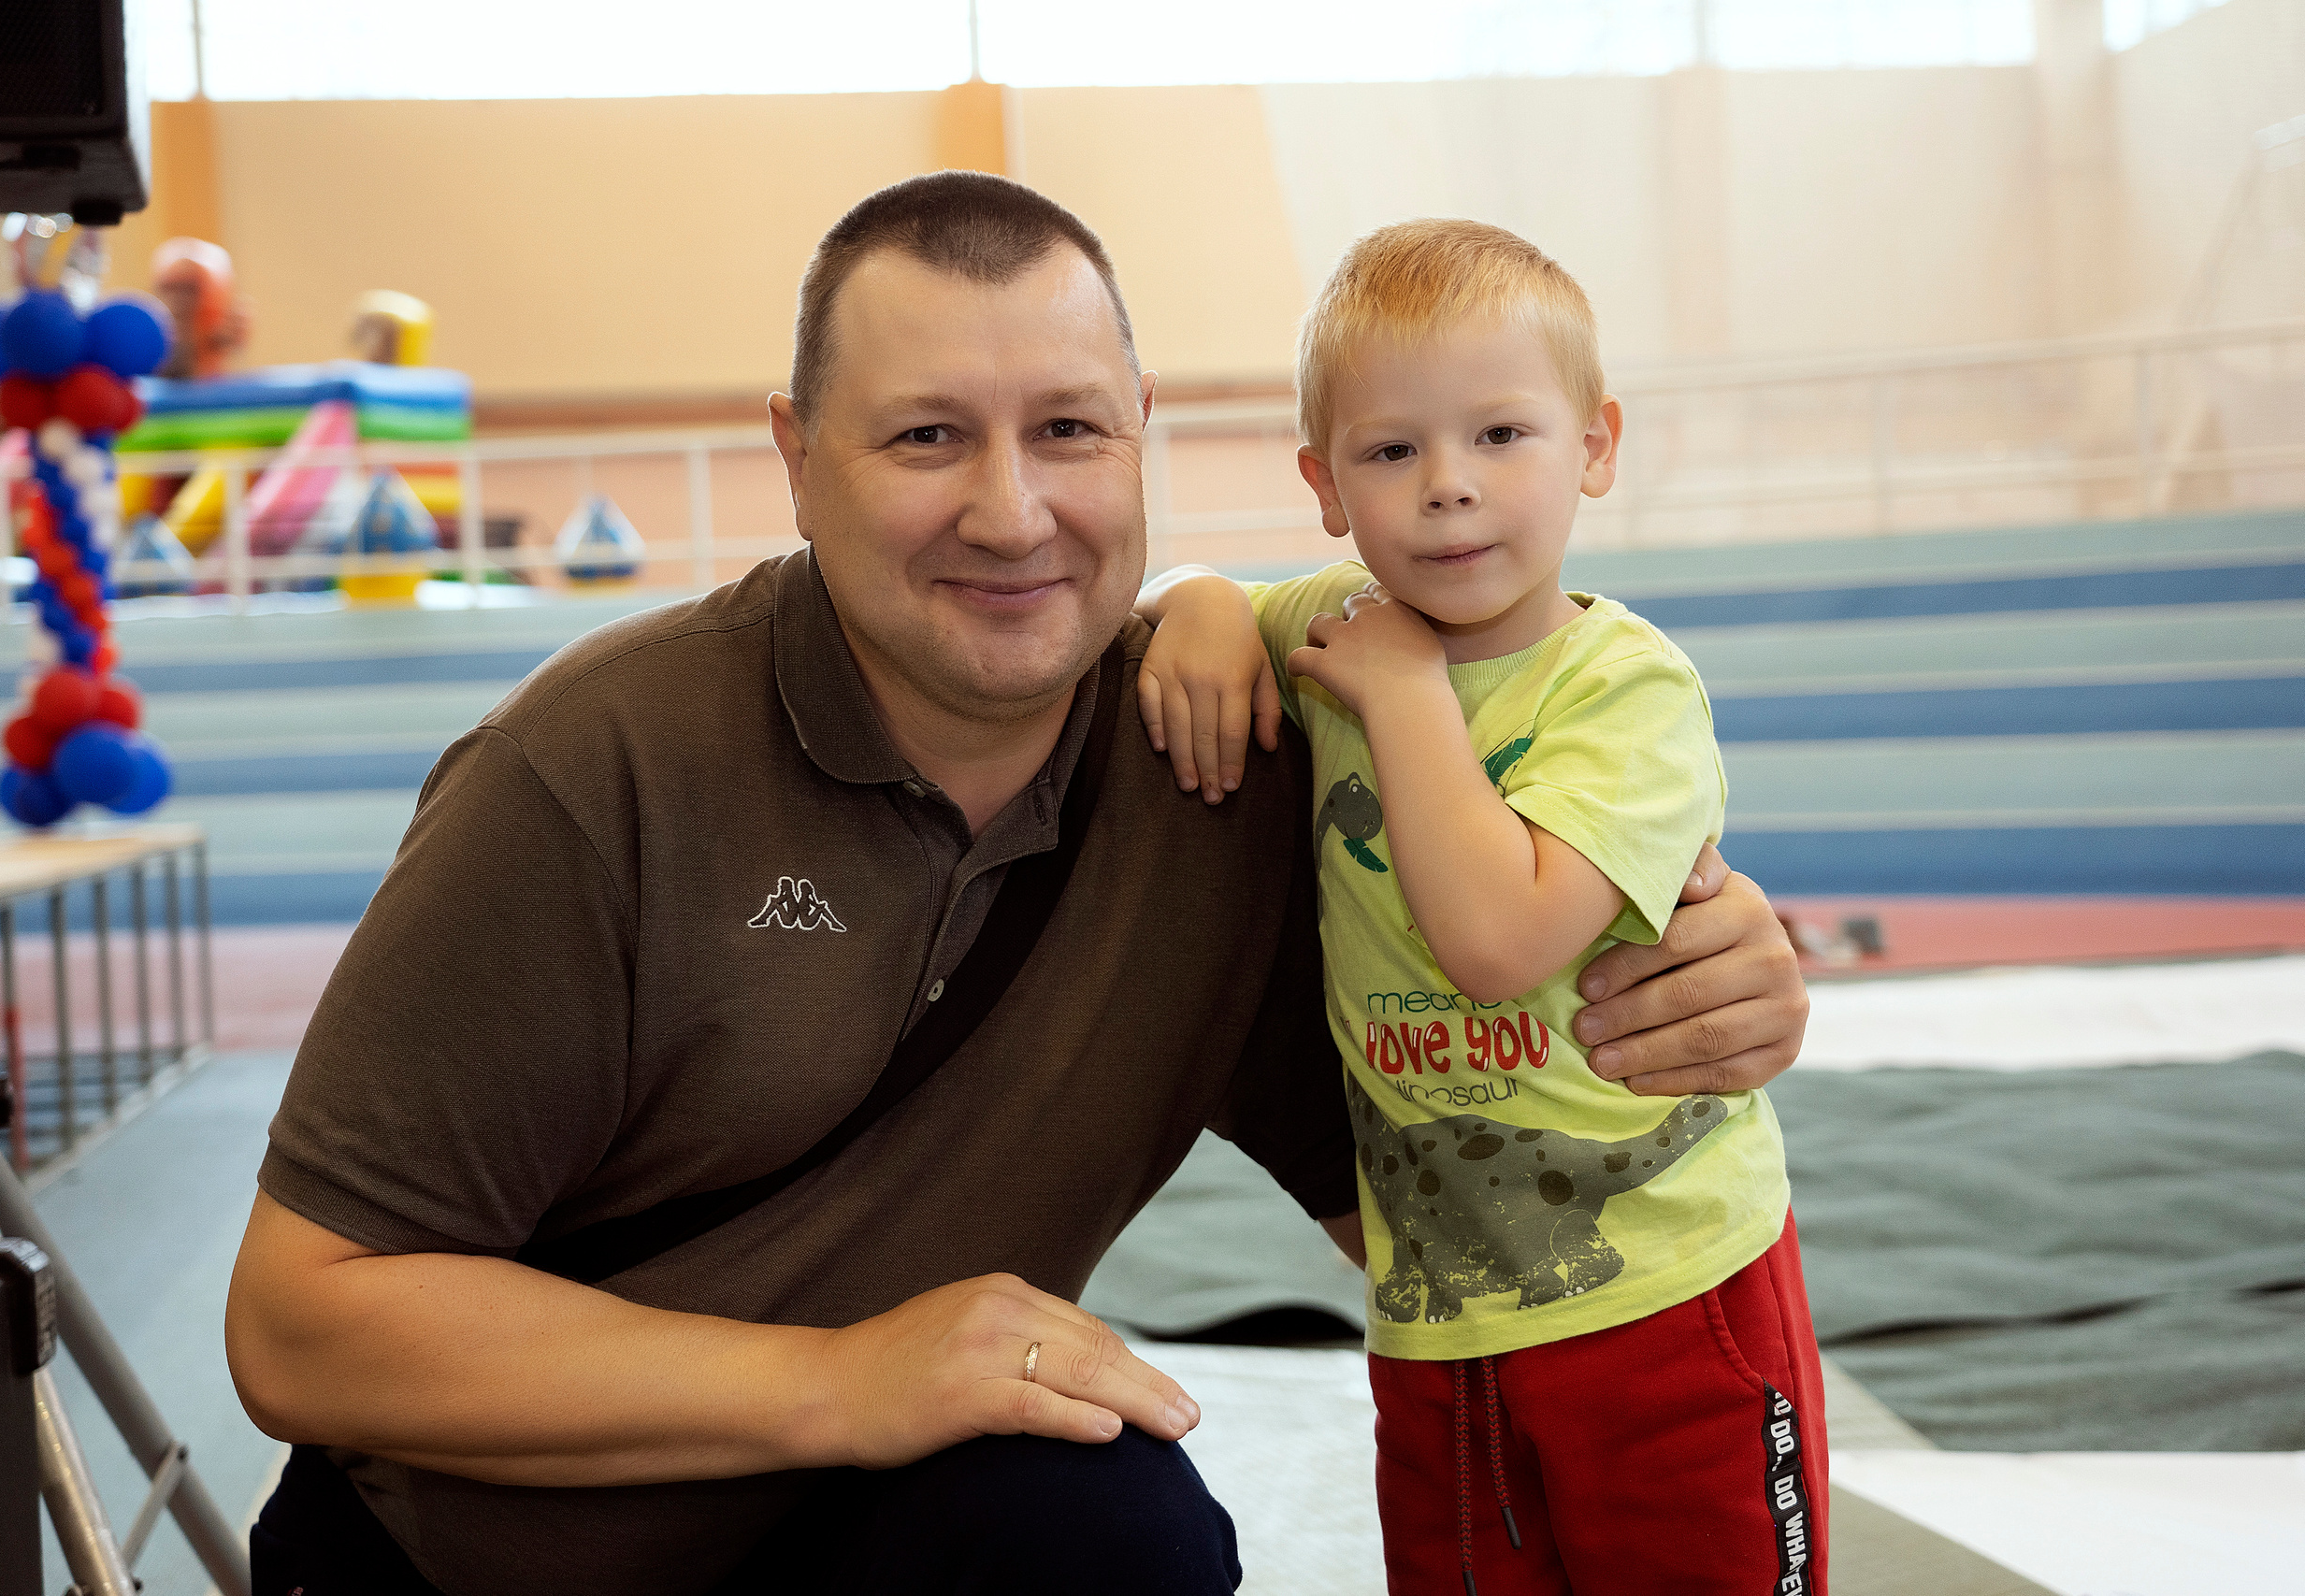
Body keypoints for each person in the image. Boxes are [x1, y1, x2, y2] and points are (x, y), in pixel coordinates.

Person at [224, 175, 1813, 1596]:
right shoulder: (593, 771)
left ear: (1140, 443)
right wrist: (841, 1382)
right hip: (483, 1564)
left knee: (1110, 1537)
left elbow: (1416, 1160)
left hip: (879, 1531)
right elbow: (299, 1325)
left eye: (1068, 430)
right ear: (795, 456)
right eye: (927, 435)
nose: (1011, 511)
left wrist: (1698, 992)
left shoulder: (1236, 774)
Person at [1133, 219, 1824, 1594]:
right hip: (1441, 1312)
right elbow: (1162, 602)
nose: (1449, 488)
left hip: (1668, 1285)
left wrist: (1401, 697)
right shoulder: (1333, 622)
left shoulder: (1623, 690)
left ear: (1596, 445)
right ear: (1327, 486)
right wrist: (1201, 600)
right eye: (1393, 452)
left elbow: (1498, 942)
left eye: (1502, 434)